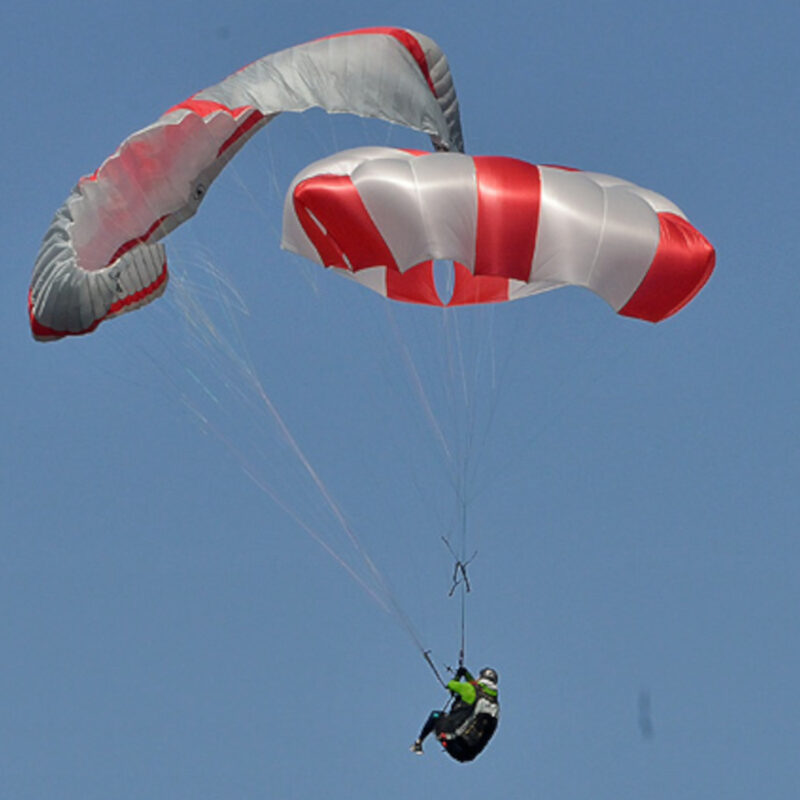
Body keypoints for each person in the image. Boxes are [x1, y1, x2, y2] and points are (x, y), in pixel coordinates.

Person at [410, 666, 499, 762]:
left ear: (481, 678)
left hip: (451, 740)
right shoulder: (495, 705)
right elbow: (477, 689)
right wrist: (466, 675)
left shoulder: (469, 689)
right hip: (468, 755)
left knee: (435, 715)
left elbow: (451, 685)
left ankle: (418, 743)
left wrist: (458, 676)